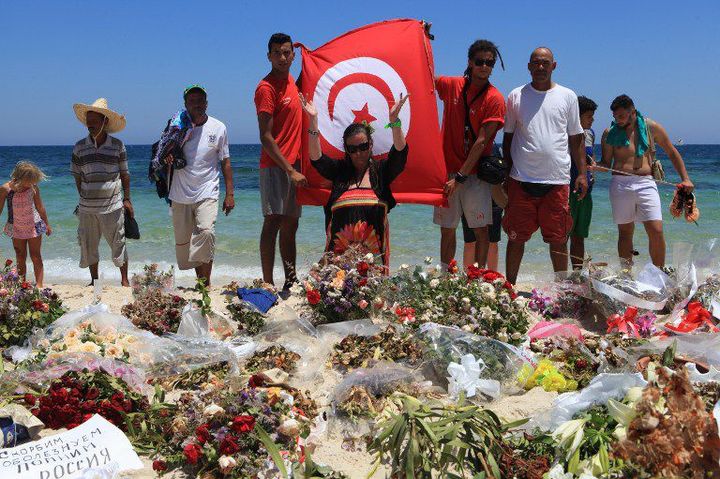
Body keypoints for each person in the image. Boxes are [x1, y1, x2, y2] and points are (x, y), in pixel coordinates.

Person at [502, 47, 588, 284]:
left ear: (554, 66)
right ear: (529, 66)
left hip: (557, 180)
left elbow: (576, 137)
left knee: (559, 239)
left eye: (545, 63)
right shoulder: (515, 96)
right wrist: (507, 173)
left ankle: (561, 290)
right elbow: (508, 137)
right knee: (515, 237)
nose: (541, 67)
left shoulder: (568, 96)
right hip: (521, 179)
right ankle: (510, 286)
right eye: (536, 63)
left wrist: (582, 174)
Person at [299, 92, 409, 270]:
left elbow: (400, 153)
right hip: (338, 264)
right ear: (347, 150)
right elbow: (316, 158)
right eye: (353, 149)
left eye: (363, 147)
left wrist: (394, 120)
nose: (359, 153)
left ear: (371, 144)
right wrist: (313, 121)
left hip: (374, 263)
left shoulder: (381, 172)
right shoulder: (339, 171)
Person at [433, 39, 506, 270]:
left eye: (489, 62)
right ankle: (445, 277)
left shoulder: (495, 98)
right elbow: (424, 74)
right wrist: (424, 39)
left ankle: (478, 278)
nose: (484, 66)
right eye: (480, 61)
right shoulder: (452, 85)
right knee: (447, 229)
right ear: (470, 62)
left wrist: (461, 177)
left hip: (474, 175)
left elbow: (482, 141)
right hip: (447, 171)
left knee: (480, 230)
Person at [599, 94, 693, 267]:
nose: (617, 120)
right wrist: (592, 166)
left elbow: (672, 152)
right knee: (625, 232)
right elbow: (606, 164)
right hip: (620, 184)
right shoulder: (609, 133)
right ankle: (626, 275)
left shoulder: (651, 127)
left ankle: (659, 274)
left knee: (656, 230)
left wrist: (685, 179)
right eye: (615, 117)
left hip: (646, 183)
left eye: (621, 116)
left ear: (632, 112)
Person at [165, 85, 234, 287]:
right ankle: (201, 282)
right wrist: (168, 156)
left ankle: (207, 282)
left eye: (200, 100)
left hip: (207, 189)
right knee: (189, 242)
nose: (196, 104)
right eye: (191, 101)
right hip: (180, 192)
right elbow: (163, 153)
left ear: (206, 103)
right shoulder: (176, 127)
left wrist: (230, 194)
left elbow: (225, 162)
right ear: (185, 104)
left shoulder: (219, 127)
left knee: (205, 233)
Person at [255, 33, 306, 290]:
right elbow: (265, 137)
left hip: (295, 165)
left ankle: (291, 279)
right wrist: (289, 170)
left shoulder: (292, 85)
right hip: (277, 166)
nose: (283, 57)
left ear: (292, 55)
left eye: (287, 52)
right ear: (269, 56)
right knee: (273, 221)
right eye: (277, 53)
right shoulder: (266, 88)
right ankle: (267, 282)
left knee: (291, 224)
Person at [71, 98, 132, 286]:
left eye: (93, 120)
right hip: (87, 207)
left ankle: (124, 280)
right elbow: (77, 176)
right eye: (88, 120)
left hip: (113, 205)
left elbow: (124, 174)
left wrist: (127, 199)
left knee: (118, 242)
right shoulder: (79, 146)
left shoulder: (118, 145)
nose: (89, 124)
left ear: (104, 121)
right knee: (89, 245)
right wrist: (85, 196)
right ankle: (94, 281)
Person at [0, 162, 52, 287]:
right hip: (16, 227)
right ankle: (22, 284)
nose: (32, 183)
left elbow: (40, 207)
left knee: (36, 256)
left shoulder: (33, 188)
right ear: (20, 177)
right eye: (29, 181)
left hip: (34, 225)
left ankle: (39, 285)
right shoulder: (6, 189)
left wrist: (47, 224)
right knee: (20, 255)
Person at [568, 96, 598, 269]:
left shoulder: (590, 134)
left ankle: (577, 274)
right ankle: (562, 276)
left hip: (587, 192)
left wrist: (593, 166)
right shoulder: (565, 134)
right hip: (570, 189)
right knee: (563, 236)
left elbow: (591, 158)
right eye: (589, 116)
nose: (592, 120)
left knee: (579, 236)